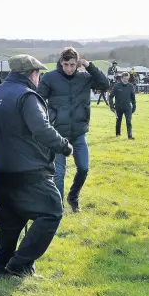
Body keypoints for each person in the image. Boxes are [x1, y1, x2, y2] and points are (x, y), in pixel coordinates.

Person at [0, 54, 73, 278]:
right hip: (29, 171)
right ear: (32, 73)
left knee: (9, 224)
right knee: (52, 211)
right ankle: (20, 265)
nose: (39, 79)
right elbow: (42, 129)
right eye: (39, 74)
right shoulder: (26, 96)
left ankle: (1, 270)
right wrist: (64, 146)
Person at [37, 47, 109, 212]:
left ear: (77, 64)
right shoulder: (49, 78)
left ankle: (73, 197)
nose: (68, 68)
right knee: (59, 173)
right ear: (60, 63)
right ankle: (58, 208)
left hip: (78, 133)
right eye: (65, 64)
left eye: (72, 64)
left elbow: (105, 84)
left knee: (83, 168)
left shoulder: (85, 77)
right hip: (57, 135)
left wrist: (89, 66)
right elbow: (38, 99)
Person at [109, 72, 136, 139]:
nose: (125, 80)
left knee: (129, 121)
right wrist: (112, 106)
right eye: (124, 79)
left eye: (127, 79)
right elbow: (110, 97)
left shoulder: (130, 86)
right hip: (118, 107)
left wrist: (134, 106)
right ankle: (118, 134)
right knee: (118, 121)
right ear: (121, 78)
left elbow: (133, 97)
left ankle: (130, 136)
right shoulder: (116, 86)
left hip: (128, 107)